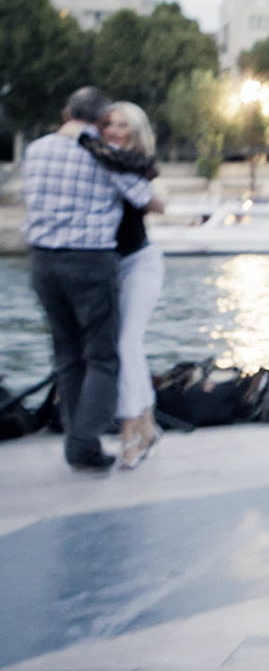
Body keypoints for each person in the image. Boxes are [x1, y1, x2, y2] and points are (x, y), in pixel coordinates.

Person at [22, 86, 156, 470]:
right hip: (90, 262)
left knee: (67, 354)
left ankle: (75, 434)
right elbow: (142, 195)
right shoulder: (100, 155)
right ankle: (84, 443)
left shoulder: (36, 149)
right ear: (99, 120)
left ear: (67, 112)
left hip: (43, 263)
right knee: (102, 356)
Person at [101, 102, 167, 468]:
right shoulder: (97, 162)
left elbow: (160, 203)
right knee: (126, 348)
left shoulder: (140, 166)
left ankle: (130, 436)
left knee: (126, 346)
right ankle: (148, 424)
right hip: (108, 266)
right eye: (108, 124)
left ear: (135, 130)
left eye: (121, 125)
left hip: (140, 263)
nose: (113, 130)